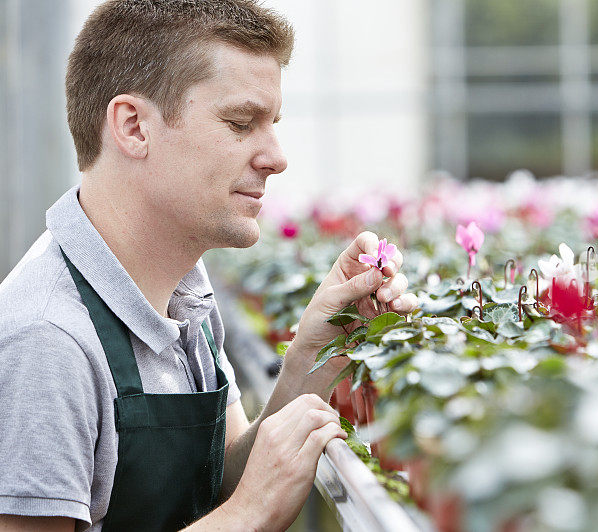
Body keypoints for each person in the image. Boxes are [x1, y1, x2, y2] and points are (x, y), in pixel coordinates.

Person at [0, 1, 417, 530]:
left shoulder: (183, 291)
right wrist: (250, 516)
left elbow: (219, 480)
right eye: (241, 122)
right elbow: (239, 503)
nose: (276, 156)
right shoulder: (46, 341)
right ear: (133, 127)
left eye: (273, 124)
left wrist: (314, 358)